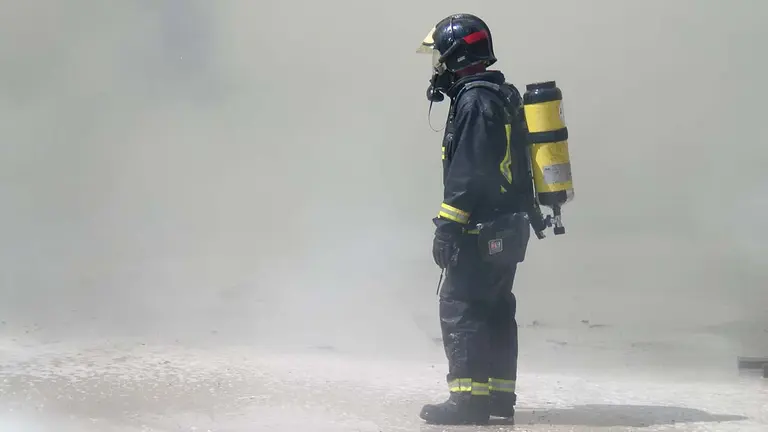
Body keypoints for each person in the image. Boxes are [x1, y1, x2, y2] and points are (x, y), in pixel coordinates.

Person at [416, 13, 546, 425]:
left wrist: (448, 226)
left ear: (455, 53)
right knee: (495, 310)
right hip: (507, 228)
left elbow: (469, 173)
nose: (436, 65)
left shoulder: (473, 101)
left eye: (439, 55)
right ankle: (496, 399)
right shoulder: (499, 94)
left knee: (461, 307)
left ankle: (468, 402)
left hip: (480, 229)